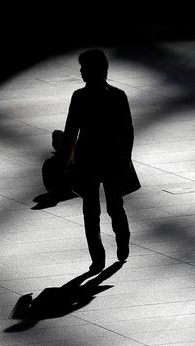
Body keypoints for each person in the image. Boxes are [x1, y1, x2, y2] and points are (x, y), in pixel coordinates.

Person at [63, 48, 139, 271]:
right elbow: (128, 131)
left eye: (84, 67)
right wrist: (126, 156)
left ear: (93, 70)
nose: (80, 71)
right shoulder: (117, 96)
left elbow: (71, 132)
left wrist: (66, 161)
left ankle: (97, 257)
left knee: (90, 211)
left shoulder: (79, 97)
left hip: (87, 158)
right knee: (115, 206)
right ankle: (122, 240)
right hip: (112, 158)